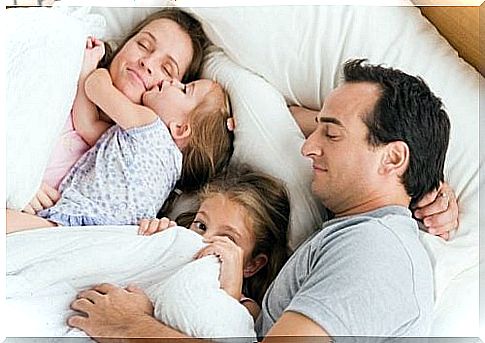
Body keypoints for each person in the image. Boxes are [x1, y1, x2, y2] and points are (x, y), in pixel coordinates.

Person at [67, 59, 454, 340]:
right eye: (315, 129)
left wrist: (130, 327)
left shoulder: (375, 251)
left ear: (393, 157)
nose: (307, 147)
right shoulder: (360, 234)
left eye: (331, 135)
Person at [7, 9, 235, 233]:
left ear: (179, 127)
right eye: (144, 45)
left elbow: (89, 119)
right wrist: (16, 181)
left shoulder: (134, 135)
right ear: (124, 43)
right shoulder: (64, 65)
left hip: (72, 228)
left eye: (168, 69)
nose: (148, 62)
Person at [137, 166, 290, 320]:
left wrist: (229, 291)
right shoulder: (177, 252)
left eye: (227, 239)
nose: (204, 241)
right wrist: (153, 243)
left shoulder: (246, 309)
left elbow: (221, 330)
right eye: (201, 226)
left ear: (252, 265)